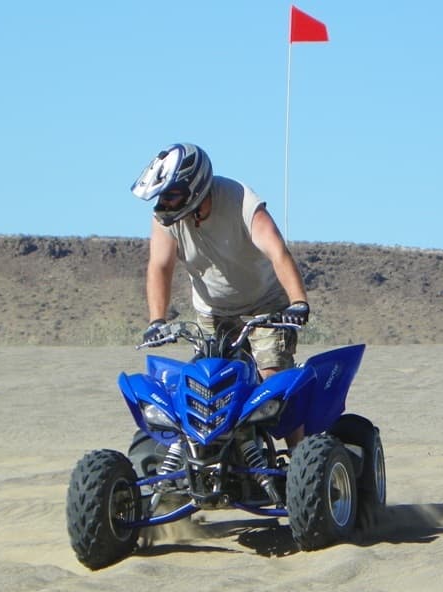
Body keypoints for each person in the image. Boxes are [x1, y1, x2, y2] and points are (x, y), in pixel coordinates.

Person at [131, 143, 310, 448]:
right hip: (212, 312)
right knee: (207, 386)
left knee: (273, 380)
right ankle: (203, 468)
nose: (164, 203)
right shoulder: (166, 219)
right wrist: (156, 320)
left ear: (195, 188)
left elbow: (277, 251)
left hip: (264, 307)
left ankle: (303, 466)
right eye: (161, 196)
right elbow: (160, 266)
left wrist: (298, 302)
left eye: (171, 194)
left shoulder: (240, 200)